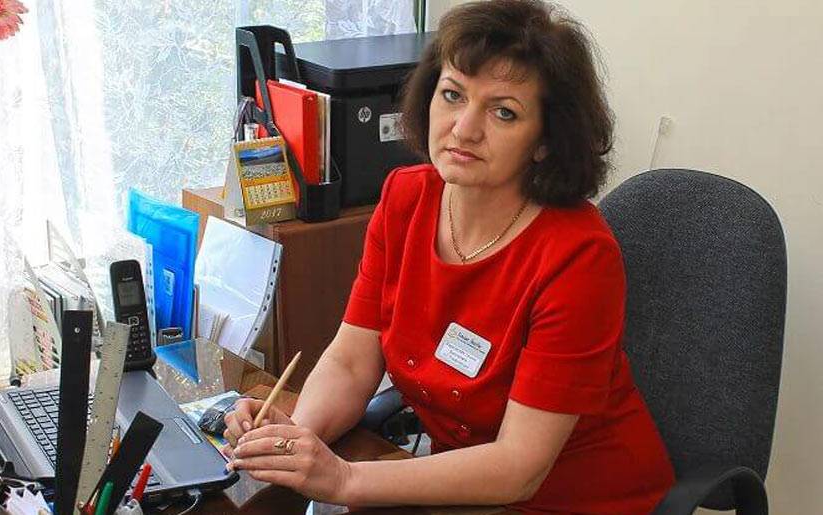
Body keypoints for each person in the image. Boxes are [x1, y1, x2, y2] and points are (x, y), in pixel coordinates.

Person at [223, 0, 675, 512]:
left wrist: (344, 478)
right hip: (456, 487)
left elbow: (519, 468)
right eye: (453, 95)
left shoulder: (579, 257)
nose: (464, 128)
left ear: (545, 141)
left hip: (577, 497)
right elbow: (351, 362)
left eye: (504, 112)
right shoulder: (405, 198)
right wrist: (294, 439)